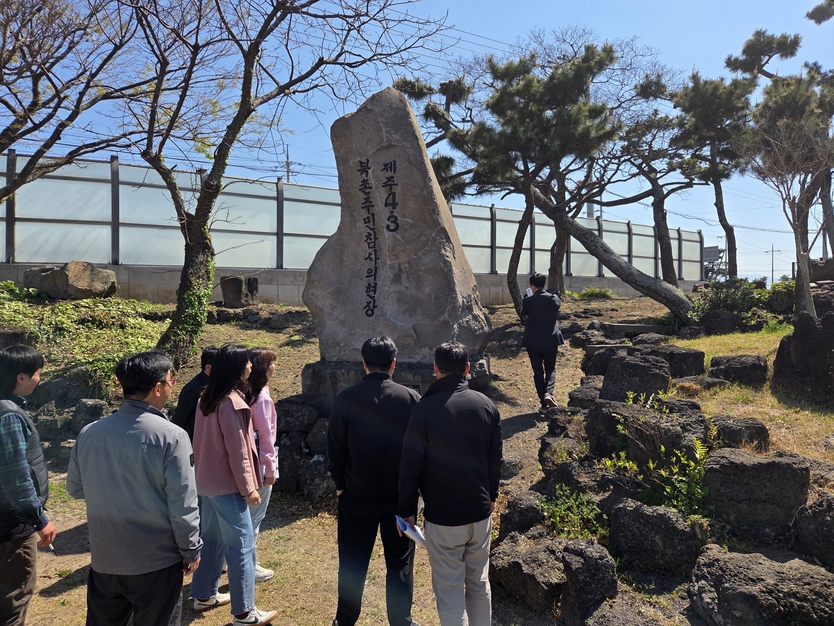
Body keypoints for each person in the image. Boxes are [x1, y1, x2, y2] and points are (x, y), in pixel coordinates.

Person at [66, 351, 202, 626]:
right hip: (157, 560)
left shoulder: (90, 431)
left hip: (105, 557)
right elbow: (183, 502)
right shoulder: (172, 436)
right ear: (158, 388)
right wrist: (191, 549)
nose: (173, 386)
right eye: (171, 380)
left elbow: (75, 488)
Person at [398, 342, 502, 626]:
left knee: (449, 591)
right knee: (479, 582)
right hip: (480, 510)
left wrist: (407, 509)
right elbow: (495, 459)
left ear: (435, 369)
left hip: (443, 515)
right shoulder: (487, 405)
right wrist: (492, 495)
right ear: (467, 368)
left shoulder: (425, 409)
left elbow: (410, 465)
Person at [327, 337, 421, 626]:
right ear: (394, 363)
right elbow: (419, 451)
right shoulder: (410, 399)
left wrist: (339, 482)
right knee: (400, 563)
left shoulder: (347, 398)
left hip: (356, 494)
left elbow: (335, 446)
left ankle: (345, 620)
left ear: (364, 363)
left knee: (353, 562)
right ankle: (401, 621)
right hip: (399, 498)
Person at [190, 344, 277, 626]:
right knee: (242, 545)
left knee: (212, 539)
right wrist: (249, 488)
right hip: (228, 486)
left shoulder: (206, 398)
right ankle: (244, 612)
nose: (251, 366)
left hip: (206, 482)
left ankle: (204, 594)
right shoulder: (231, 403)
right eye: (247, 363)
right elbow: (238, 452)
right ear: (238, 368)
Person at [0, 345, 55, 626]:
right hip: (12, 525)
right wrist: (38, 519)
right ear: (21, 377)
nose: (39, 378)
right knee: (14, 597)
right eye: (38, 373)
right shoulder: (8, 414)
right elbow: (16, 476)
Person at [245, 347, 278, 583]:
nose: (275, 367)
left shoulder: (244, 394)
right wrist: (270, 468)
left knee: (243, 515)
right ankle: (250, 565)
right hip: (259, 466)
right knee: (254, 517)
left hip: (245, 463)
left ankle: (229, 560)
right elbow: (266, 437)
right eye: (272, 363)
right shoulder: (262, 399)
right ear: (264, 369)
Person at [521, 272, 564, 411]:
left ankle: (543, 403)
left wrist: (527, 298)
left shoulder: (528, 300)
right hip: (551, 339)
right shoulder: (554, 299)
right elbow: (557, 307)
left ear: (532, 286)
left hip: (532, 341)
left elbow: (523, 313)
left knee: (538, 371)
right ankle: (549, 393)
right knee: (550, 369)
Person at [171, 346, 218, 441]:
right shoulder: (193, 389)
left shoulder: (217, 383)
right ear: (208, 367)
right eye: (221, 365)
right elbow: (179, 419)